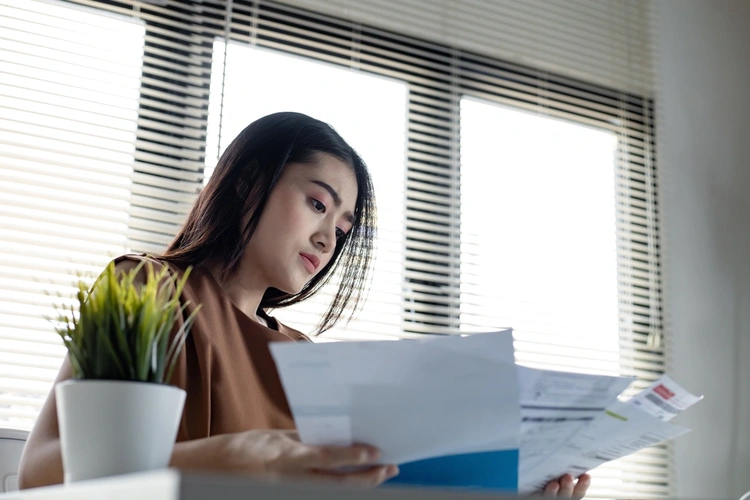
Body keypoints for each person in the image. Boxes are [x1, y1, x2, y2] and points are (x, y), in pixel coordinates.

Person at [17, 112, 590, 498]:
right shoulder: (147, 288)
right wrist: (237, 457)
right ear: (247, 184)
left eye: (342, 228)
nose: (328, 239)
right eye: (318, 203)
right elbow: (42, 472)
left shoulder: (303, 357)